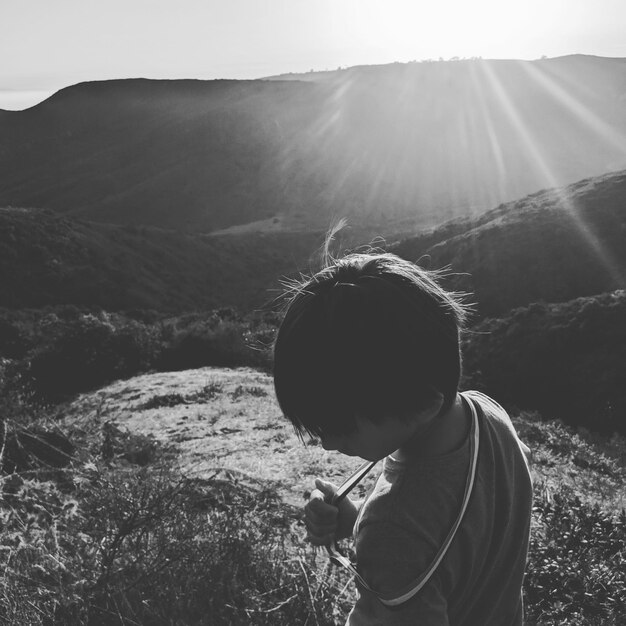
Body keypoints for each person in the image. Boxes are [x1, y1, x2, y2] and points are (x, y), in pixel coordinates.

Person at [273, 251, 533, 625]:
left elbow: (415, 529)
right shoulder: (487, 414)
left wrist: (381, 529)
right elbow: (457, 526)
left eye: (339, 425)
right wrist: (357, 520)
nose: (327, 443)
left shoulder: (392, 533)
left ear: (424, 404)